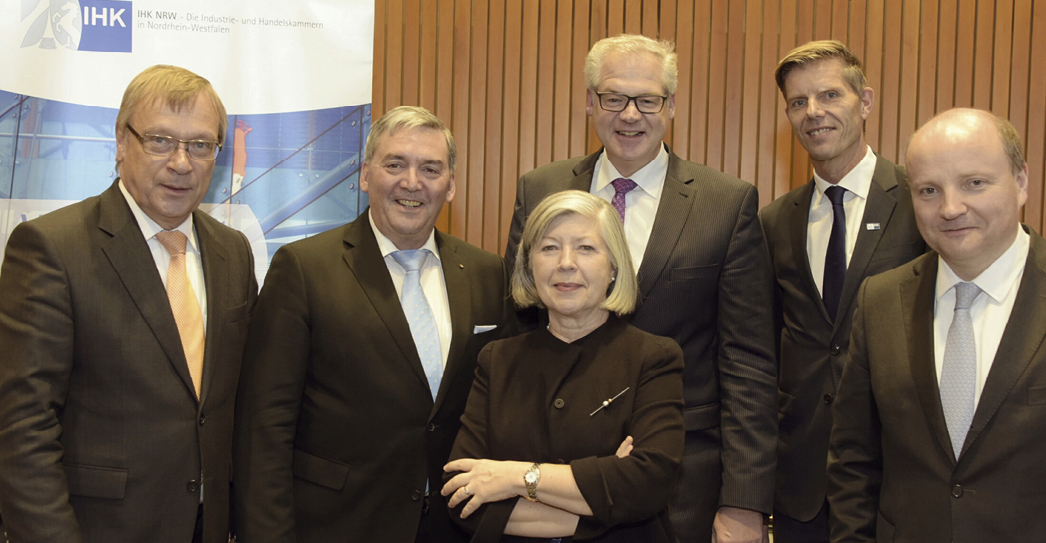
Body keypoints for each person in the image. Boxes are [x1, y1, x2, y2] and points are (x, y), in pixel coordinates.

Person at [504, 34, 777, 543]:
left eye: (647, 100)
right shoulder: (540, 189)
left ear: (670, 106)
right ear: (590, 102)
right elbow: (518, 333)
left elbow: (748, 362)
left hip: (683, 482)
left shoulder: (726, 203)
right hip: (555, 477)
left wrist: (744, 502)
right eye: (613, 97)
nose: (630, 114)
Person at [0, 64, 258, 543]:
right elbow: (21, 429)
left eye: (200, 145)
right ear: (121, 141)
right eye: (160, 140)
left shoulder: (233, 252)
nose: (181, 162)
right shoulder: (52, 248)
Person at [233, 105, 511, 543]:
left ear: (451, 185)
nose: (412, 182)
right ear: (365, 175)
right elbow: (265, 425)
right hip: (336, 525)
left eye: (430, 168)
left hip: (451, 527)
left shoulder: (487, 273)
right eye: (395, 164)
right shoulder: (304, 269)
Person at [826, 108, 1046, 542]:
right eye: (929, 190)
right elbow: (854, 462)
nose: (950, 208)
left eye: (974, 183)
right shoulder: (879, 301)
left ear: (1021, 181)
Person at [443, 189, 685, 542]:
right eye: (549, 248)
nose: (566, 262)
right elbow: (462, 496)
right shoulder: (497, 360)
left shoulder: (653, 357)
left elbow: (648, 484)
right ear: (529, 267)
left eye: (585, 248)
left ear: (614, 266)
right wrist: (606, 508)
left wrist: (513, 477)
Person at [759, 41, 926, 542]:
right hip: (800, 485)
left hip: (897, 477)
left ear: (865, 101)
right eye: (798, 102)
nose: (814, 112)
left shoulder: (920, 202)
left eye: (830, 94)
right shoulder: (774, 221)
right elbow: (764, 347)